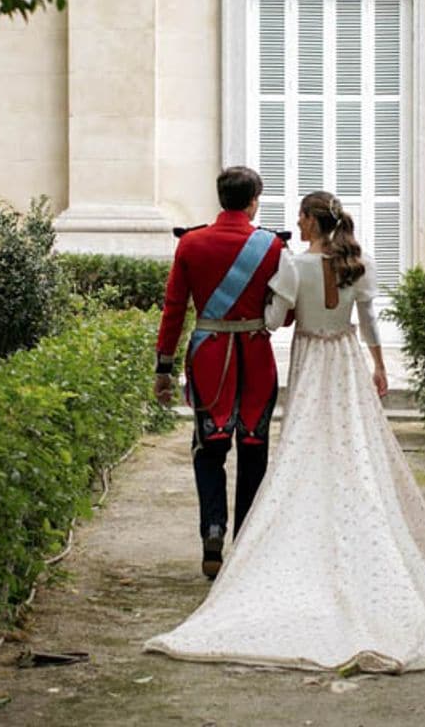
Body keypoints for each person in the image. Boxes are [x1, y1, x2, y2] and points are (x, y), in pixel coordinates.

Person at [145, 191, 425, 673]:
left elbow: (272, 321)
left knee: (302, 448)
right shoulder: (357, 264)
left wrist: (256, 318)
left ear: (309, 220)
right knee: (353, 450)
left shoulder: (291, 265)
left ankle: (231, 537)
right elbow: (368, 321)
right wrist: (380, 366)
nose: (295, 223)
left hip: (306, 358)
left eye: (300, 217)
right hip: (345, 361)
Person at [154, 166, 288, 579]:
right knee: (254, 449)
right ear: (254, 201)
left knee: (209, 450)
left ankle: (212, 531)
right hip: (255, 359)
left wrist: (164, 367)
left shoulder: (191, 243)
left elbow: (174, 310)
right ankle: (246, 543)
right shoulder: (271, 246)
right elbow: (284, 314)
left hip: (210, 360)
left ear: (220, 199)